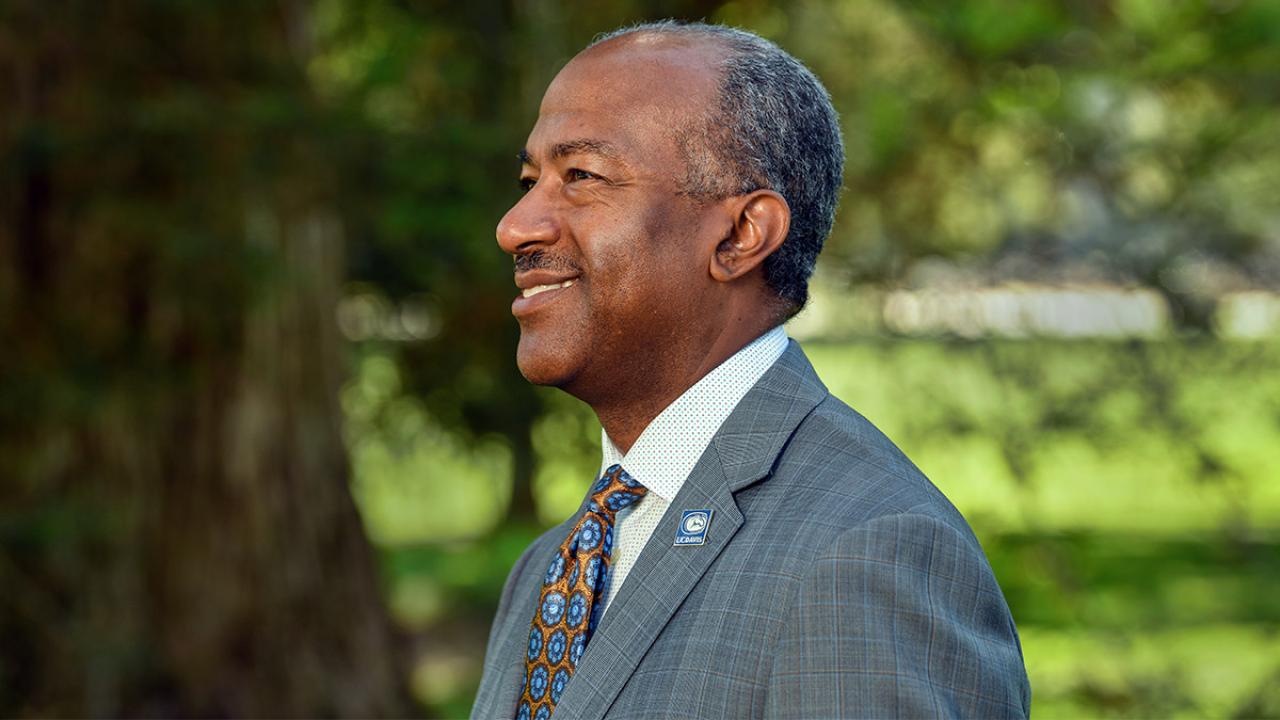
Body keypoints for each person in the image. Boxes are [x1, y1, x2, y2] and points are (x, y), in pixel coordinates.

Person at [472, 20, 1031, 720]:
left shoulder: (865, 552)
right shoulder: (549, 573)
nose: (515, 225)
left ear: (741, 236)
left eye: (580, 176)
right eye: (531, 180)